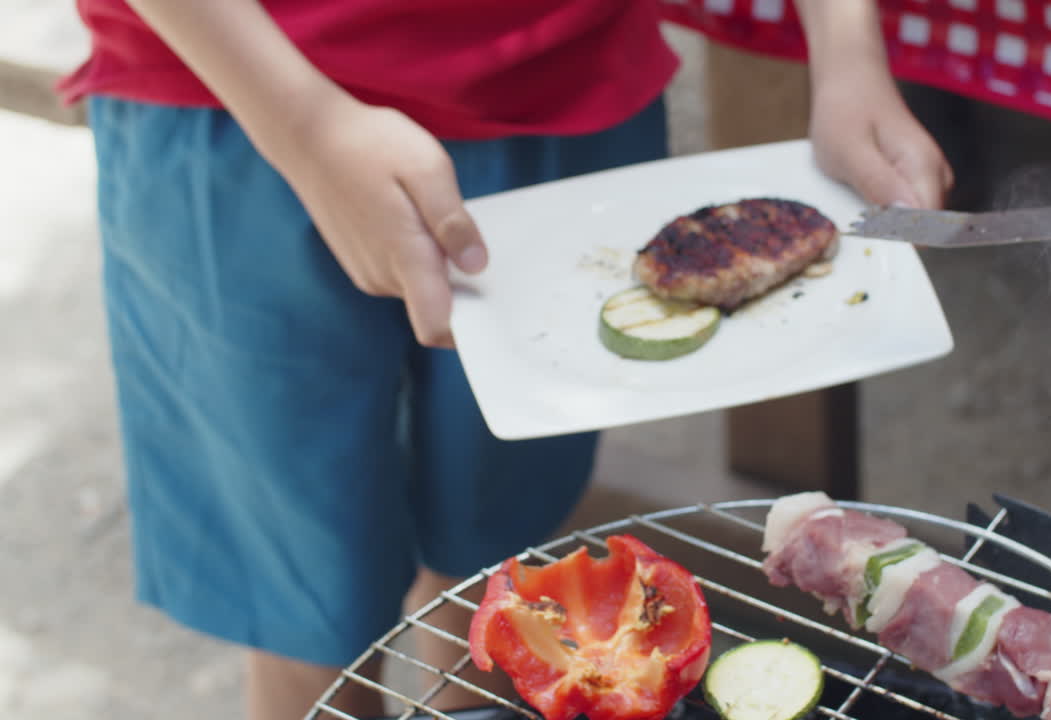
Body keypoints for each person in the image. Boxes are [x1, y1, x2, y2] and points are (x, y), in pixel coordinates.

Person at [59, 1, 953, 718]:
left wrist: (846, 52)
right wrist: (301, 122)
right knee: (306, 618)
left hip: (566, 87)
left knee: (506, 582)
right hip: (227, 94)